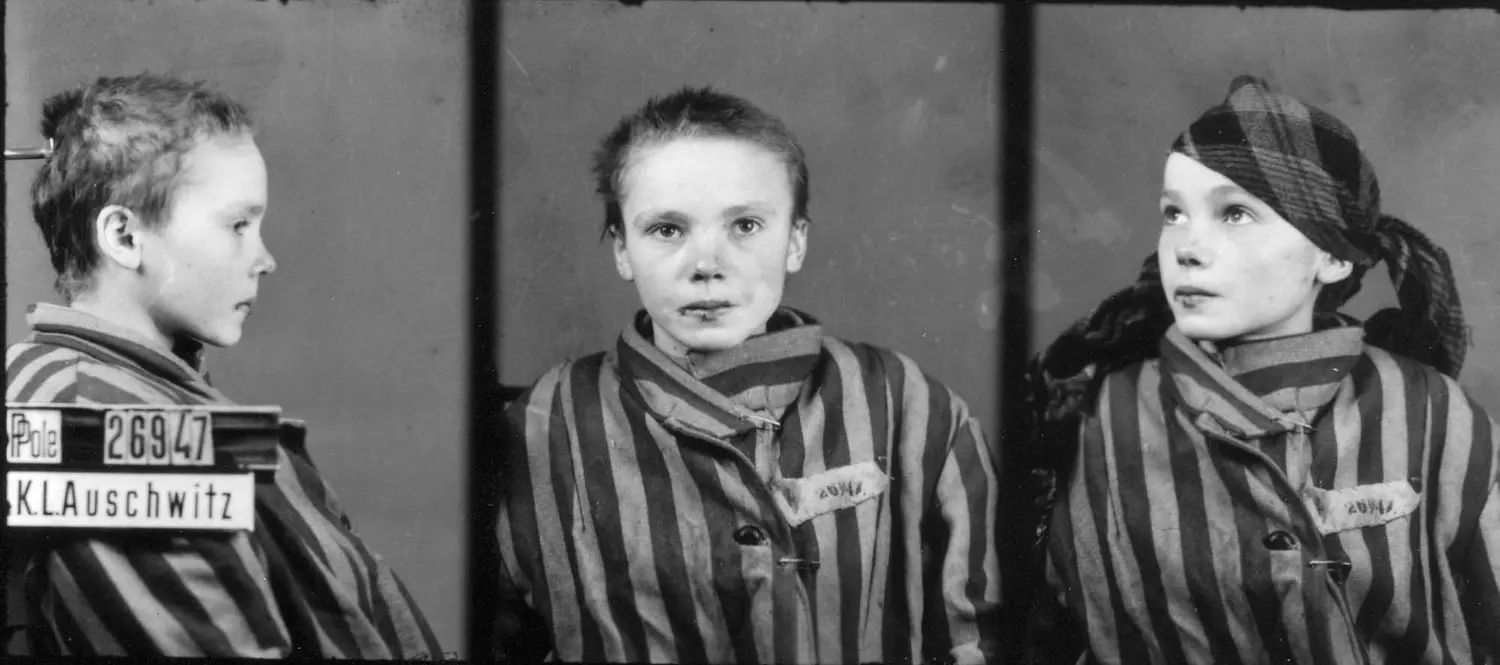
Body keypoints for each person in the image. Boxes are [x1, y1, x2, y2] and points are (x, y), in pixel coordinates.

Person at [487, 86, 1001, 664]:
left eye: (746, 225)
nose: (707, 265)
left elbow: (983, 636)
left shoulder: (907, 404)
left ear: (795, 241)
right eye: (667, 229)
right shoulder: (542, 427)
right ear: (622, 249)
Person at [1019, 75, 1500, 664]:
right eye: (1174, 214)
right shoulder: (1098, 419)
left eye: (1236, 214)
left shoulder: (1433, 413)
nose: (1187, 247)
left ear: (1332, 254)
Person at [4, 73, 441, 658]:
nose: (265, 259)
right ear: (124, 236)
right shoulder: (101, 421)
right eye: (237, 225)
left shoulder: (118, 396)